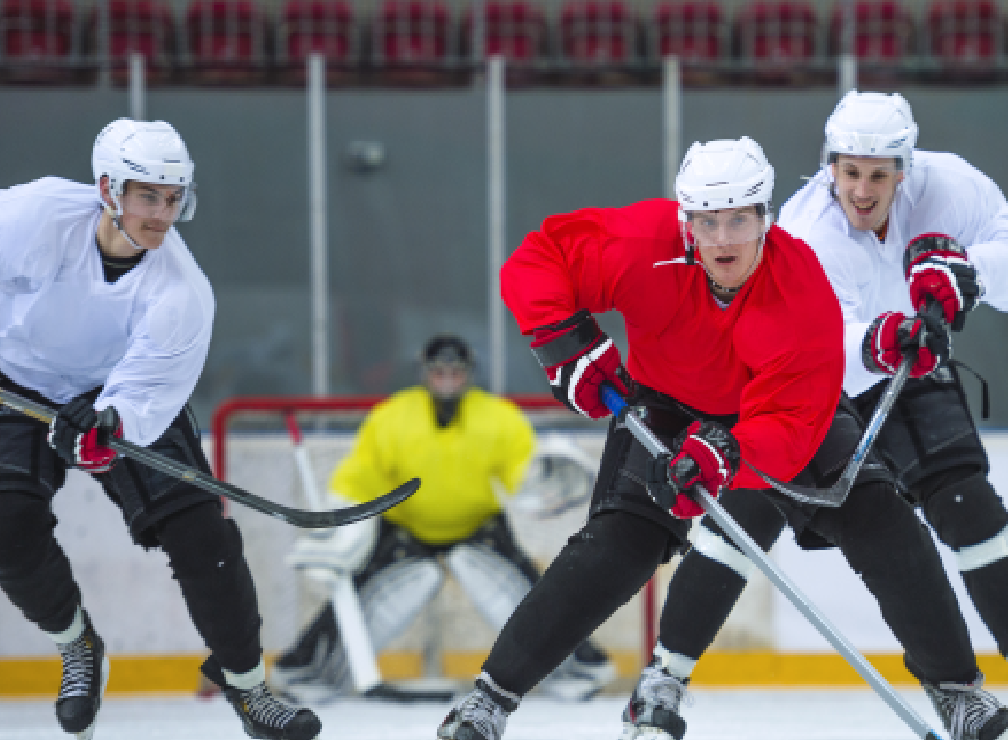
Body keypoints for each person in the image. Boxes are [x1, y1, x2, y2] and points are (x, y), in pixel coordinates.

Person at [437, 137, 1008, 740]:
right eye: (706, 222)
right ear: (685, 220)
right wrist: (566, 345)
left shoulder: (801, 288)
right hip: (665, 407)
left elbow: (793, 421)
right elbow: (537, 262)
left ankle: (958, 694)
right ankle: (489, 700)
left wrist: (728, 454)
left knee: (885, 521)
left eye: (739, 220)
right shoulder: (644, 243)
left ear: (765, 218)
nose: (721, 240)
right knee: (619, 544)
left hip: (777, 419)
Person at [622, 91, 1008, 740]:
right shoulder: (807, 226)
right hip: (822, 379)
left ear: (905, 167)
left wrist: (967, 273)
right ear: (829, 167)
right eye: (850, 173)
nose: (863, 190)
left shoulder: (951, 185)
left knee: (970, 507)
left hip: (912, 366)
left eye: (878, 174)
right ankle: (665, 675)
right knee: (747, 510)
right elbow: (817, 350)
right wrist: (880, 336)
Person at [0, 119, 319, 740]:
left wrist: (107, 423)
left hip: (116, 392)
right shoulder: (30, 216)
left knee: (203, 534)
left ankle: (249, 688)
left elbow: (150, 393)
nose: (162, 213)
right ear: (107, 189)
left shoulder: (183, 293)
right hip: (16, 380)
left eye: (174, 198)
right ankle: (77, 646)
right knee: (5, 524)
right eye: (149, 195)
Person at [273, 334, 615, 701]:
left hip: (479, 527)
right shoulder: (394, 416)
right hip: (406, 530)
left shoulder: (496, 416)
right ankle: (308, 670)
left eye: (456, 371)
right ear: (425, 373)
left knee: (532, 597)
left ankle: (576, 668)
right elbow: (358, 476)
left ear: (468, 374)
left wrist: (547, 479)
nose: (448, 378)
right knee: (360, 596)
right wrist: (338, 525)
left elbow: (523, 470)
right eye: (439, 371)